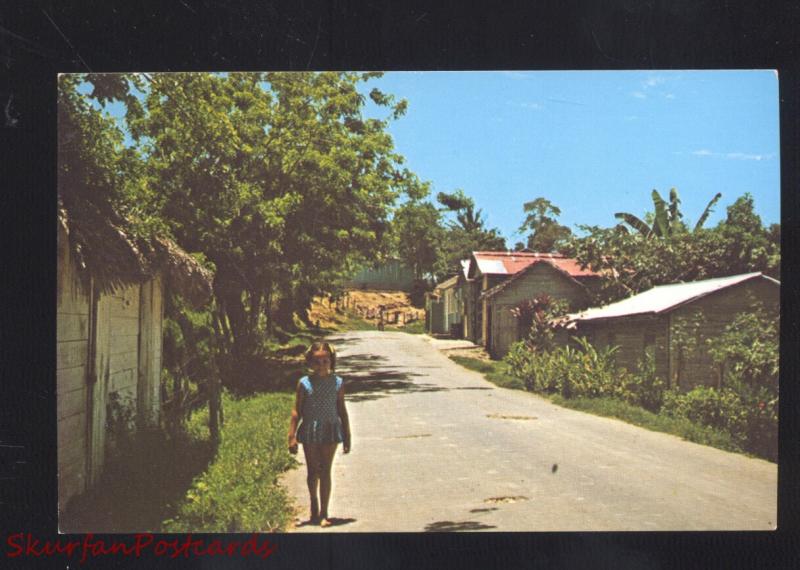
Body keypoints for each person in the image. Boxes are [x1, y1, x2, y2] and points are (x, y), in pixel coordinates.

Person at [288, 341, 351, 527]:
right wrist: (291, 436)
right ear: (310, 363)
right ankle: (313, 502)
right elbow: (296, 411)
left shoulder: (338, 383)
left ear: (331, 361)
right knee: (313, 471)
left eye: (325, 361)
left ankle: (324, 512)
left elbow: (342, 411)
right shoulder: (304, 384)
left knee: (325, 470)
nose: (322, 365)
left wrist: (347, 435)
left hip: (330, 430)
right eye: (317, 362)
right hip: (310, 430)